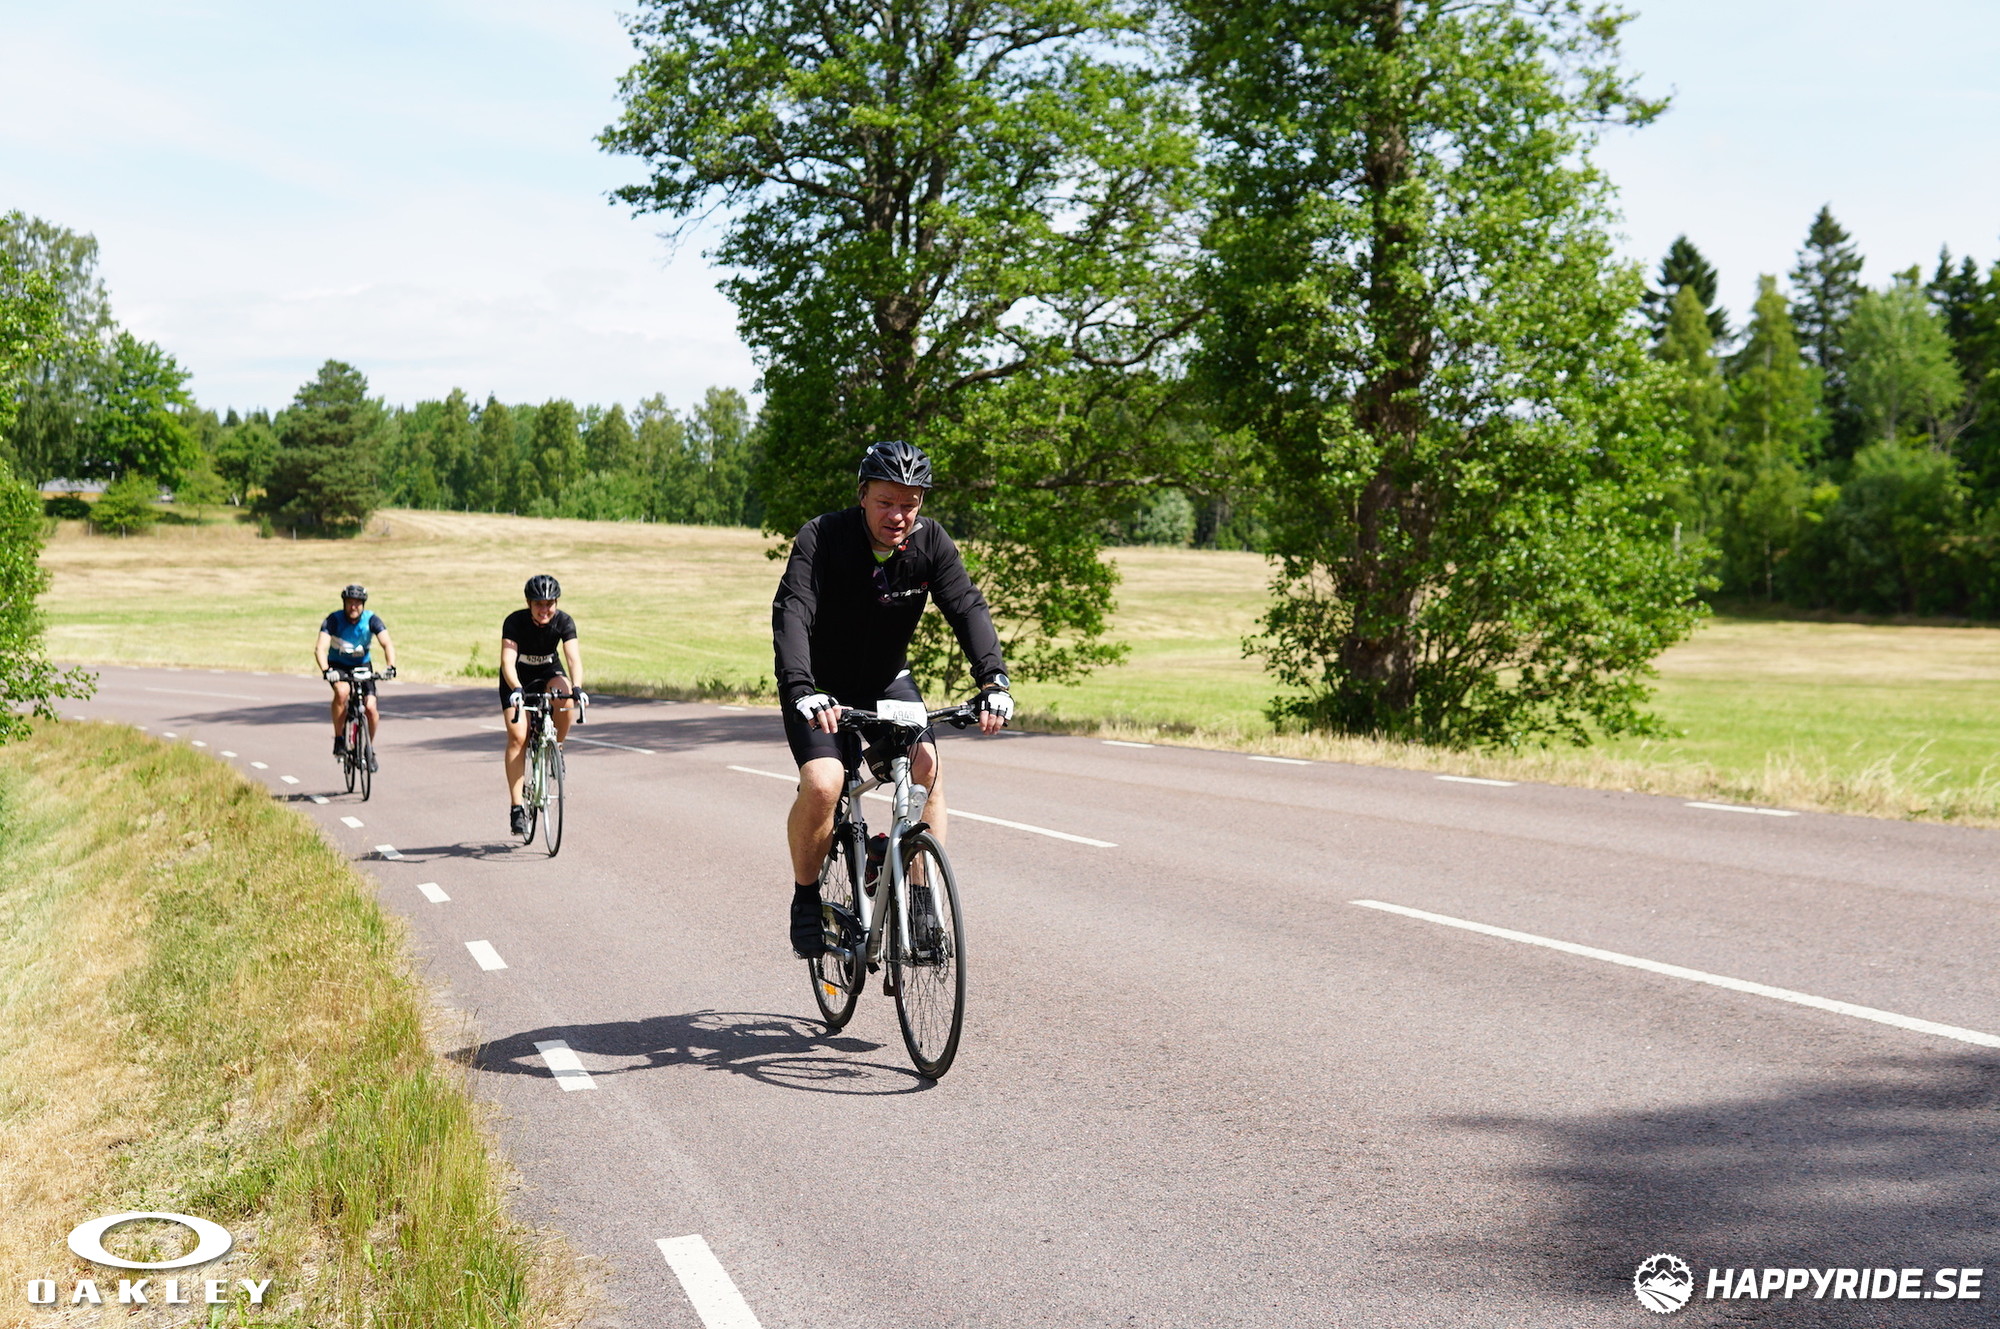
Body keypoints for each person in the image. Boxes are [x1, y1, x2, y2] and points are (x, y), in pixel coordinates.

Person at [772, 439, 1013, 958]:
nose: (898, 515)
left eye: (910, 503)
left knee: (927, 768)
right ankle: (806, 897)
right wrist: (800, 689)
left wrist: (993, 680)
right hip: (820, 687)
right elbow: (794, 610)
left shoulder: (931, 543)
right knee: (825, 783)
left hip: (886, 682)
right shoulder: (823, 537)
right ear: (862, 495)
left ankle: (921, 898)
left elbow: (966, 606)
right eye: (885, 502)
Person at [501, 574, 585, 836]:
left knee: (565, 694)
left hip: (549, 673)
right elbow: (507, 661)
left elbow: (573, 659)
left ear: (556, 603)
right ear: (529, 603)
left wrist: (578, 687)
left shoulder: (564, 621)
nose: (544, 609)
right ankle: (517, 808)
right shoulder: (515, 622)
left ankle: (556, 747)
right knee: (518, 737)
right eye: (539, 603)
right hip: (517, 680)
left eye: (550, 603)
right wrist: (516, 688)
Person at [315, 583, 396, 770]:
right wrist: (327, 670)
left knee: (370, 708)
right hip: (338, 666)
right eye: (350, 602)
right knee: (342, 692)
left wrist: (390, 666)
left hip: (362, 665)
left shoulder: (371, 620)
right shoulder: (333, 620)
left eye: (358, 603)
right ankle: (339, 738)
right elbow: (320, 648)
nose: (354, 606)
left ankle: (369, 749)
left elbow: (387, 644)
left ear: (363, 604)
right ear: (344, 603)